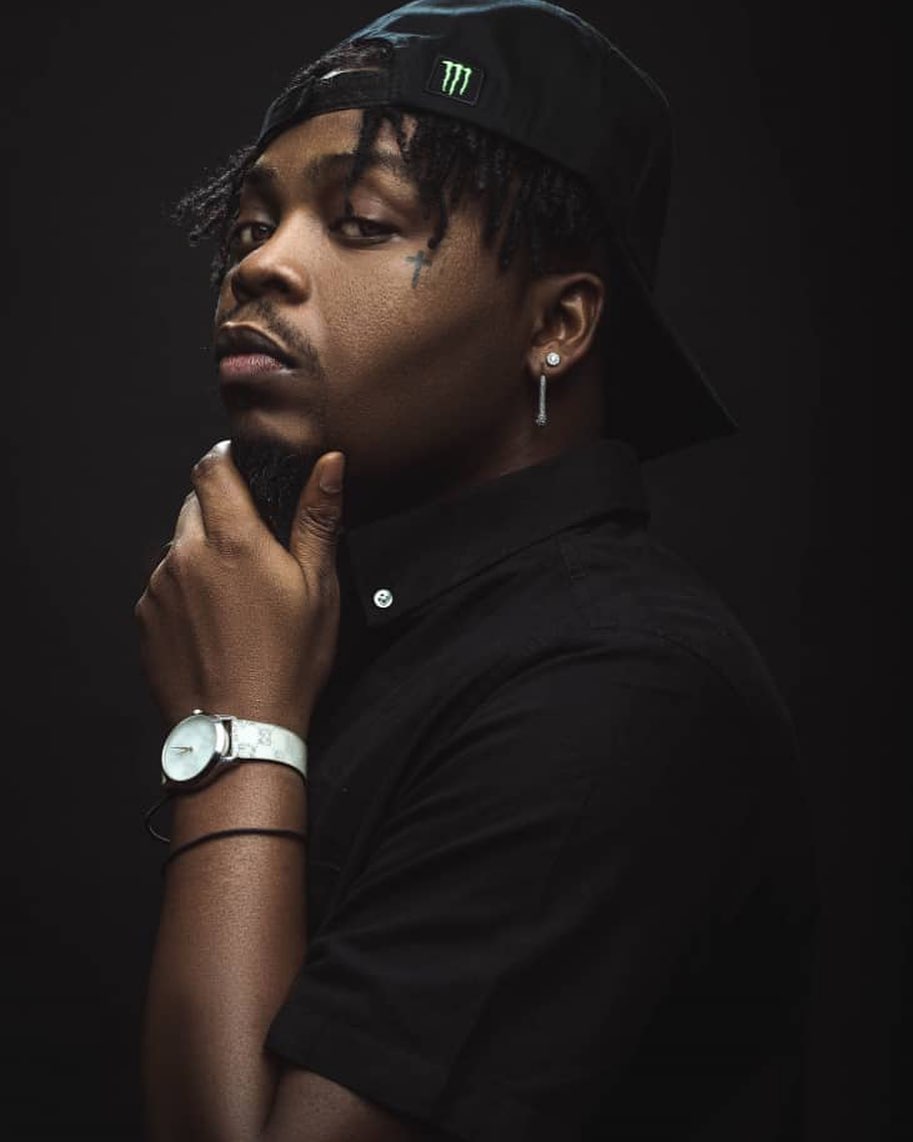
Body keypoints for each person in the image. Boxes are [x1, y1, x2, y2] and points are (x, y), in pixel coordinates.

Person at [136, 2, 816, 1139]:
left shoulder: (616, 690)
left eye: (359, 222)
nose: (260, 264)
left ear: (557, 324)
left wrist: (237, 735)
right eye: (250, 224)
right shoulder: (333, 621)